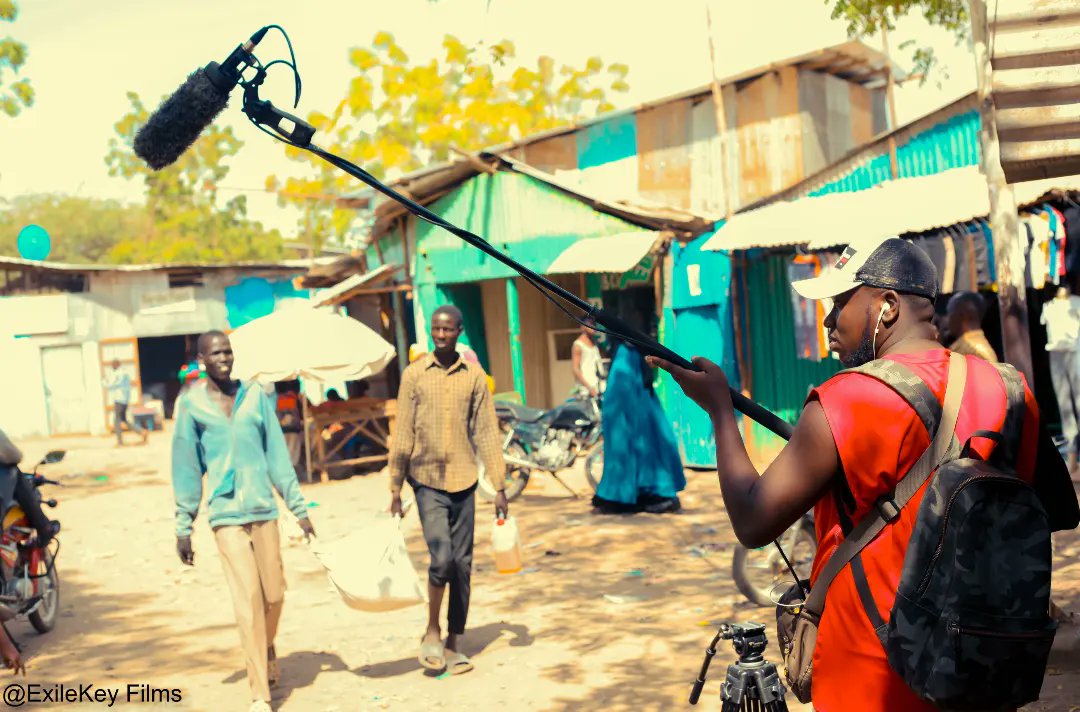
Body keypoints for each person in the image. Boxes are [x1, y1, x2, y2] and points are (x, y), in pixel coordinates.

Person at [652, 237, 1071, 711]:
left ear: (887, 306)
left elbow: (752, 521)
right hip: (981, 670)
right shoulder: (1011, 387)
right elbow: (1054, 512)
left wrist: (720, 411)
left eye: (839, 304)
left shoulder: (848, 397)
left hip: (871, 676)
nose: (828, 322)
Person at [171, 331, 315, 712]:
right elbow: (186, 467)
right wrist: (184, 525)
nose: (224, 358)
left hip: (263, 509)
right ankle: (259, 694)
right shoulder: (191, 405)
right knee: (248, 599)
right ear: (202, 360)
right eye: (216, 353)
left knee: (274, 594)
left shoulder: (255, 396)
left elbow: (277, 456)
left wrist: (298, 509)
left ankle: (265, 644)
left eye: (228, 352)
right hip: (225, 515)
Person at [388, 305, 506, 676]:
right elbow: (403, 432)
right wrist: (395, 486)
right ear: (430, 331)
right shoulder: (414, 375)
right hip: (426, 480)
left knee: (462, 564)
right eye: (436, 329)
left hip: (464, 479)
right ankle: (431, 629)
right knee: (441, 559)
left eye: (448, 329)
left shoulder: (474, 376)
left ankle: (454, 641)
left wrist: (500, 486)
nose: (441, 335)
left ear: (459, 331)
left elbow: (486, 432)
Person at [592, 342, 685, 514]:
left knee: (629, 438)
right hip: (632, 374)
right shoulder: (628, 356)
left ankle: (632, 495)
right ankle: (631, 494)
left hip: (628, 370)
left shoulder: (626, 357)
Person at [1042, 286, 1080, 474]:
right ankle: (1072, 460)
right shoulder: (1048, 306)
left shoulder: (1077, 302)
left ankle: (1073, 459)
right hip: (1056, 354)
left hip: (1075, 352)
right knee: (1065, 406)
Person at [103, 360, 146, 446]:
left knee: (117, 420)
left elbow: (115, 384)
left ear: (116, 365)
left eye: (113, 365)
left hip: (119, 399)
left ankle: (120, 441)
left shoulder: (120, 374)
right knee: (124, 420)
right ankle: (141, 432)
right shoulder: (124, 373)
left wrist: (105, 383)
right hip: (124, 400)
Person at [946, 292, 998, 362]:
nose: (948, 320)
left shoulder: (975, 350)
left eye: (950, 314)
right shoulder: (971, 347)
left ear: (963, 314)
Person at [571, 324, 603, 397]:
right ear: (583, 326)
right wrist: (589, 388)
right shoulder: (578, 344)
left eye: (594, 324)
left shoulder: (595, 343)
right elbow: (575, 369)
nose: (594, 327)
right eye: (590, 324)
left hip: (599, 385)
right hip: (588, 389)